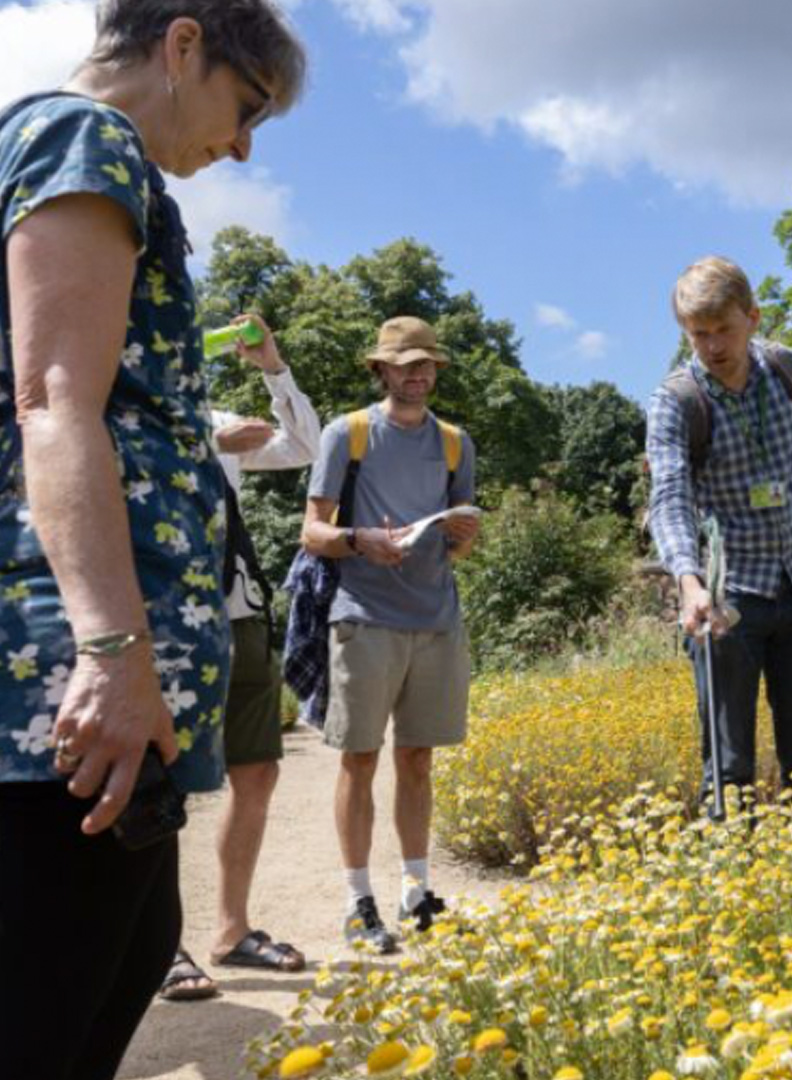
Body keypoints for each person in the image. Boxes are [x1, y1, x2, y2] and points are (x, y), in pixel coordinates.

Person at [0, 3, 305, 1077]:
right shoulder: (84, 139)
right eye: (246, 105)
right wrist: (114, 653)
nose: (242, 145)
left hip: (118, 676)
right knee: (49, 997)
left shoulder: (110, 165)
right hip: (72, 681)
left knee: (123, 959)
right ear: (183, 46)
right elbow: (52, 401)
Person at [301, 315, 479, 954]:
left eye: (426, 363)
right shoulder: (346, 433)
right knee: (359, 758)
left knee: (418, 759)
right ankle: (358, 901)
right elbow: (312, 533)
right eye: (406, 364)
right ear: (381, 370)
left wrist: (462, 536)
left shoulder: (457, 443)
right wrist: (358, 541)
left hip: (435, 620)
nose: (419, 374)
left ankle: (415, 892)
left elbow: (459, 543)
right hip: (363, 615)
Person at [160, 314, 321, 1001]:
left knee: (255, 772)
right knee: (157, 786)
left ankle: (231, 931)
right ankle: (159, 948)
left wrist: (272, 365)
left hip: (239, 606)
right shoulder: (132, 408)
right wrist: (205, 442)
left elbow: (305, 446)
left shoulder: (220, 413)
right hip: (162, 611)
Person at [646, 256, 792, 826]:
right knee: (729, 769)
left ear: (752, 318)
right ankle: (734, 883)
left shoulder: (786, 369)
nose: (712, 346)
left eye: (723, 329)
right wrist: (688, 580)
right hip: (730, 602)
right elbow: (670, 496)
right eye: (697, 334)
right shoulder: (676, 402)